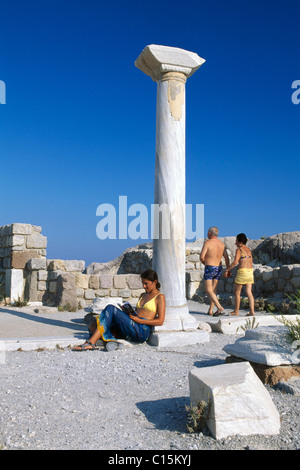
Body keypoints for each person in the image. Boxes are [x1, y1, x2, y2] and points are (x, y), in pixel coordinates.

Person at [72, 269, 165, 351]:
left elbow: (160, 321)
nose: (144, 286)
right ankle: (110, 341)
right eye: (143, 283)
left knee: (111, 308)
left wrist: (139, 320)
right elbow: (136, 313)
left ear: (154, 282)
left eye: (146, 284)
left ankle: (91, 343)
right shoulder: (142, 295)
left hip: (141, 330)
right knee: (93, 324)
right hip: (132, 324)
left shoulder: (159, 297)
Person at [200, 226, 230, 316]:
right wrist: (227, 269)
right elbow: (226, 258)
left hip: (210, 267)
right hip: (218, 267)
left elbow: (202, 257)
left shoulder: (208, 243)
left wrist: (205, 263)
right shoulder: (221, 244)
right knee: (213, 289)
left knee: (208, 290)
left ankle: (219, 307)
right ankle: (210, 310)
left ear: (209, 233)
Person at [224, 233, 255, 316]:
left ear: (240, 242)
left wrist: (227, 269)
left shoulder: (239, 250)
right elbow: (251, 262)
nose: (235, 243)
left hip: (242, 272)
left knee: (237, 292)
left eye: (236, 241)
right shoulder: (248, 250)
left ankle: (236, 311)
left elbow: (235, 262)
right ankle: (252, 311)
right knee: (249, 292)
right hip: (250, 272)